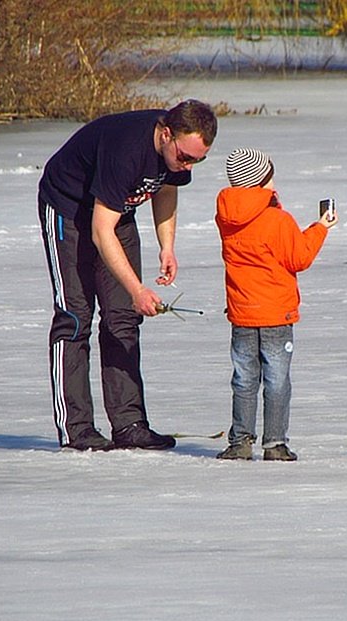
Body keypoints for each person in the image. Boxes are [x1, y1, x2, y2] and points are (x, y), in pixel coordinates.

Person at [38, 100, 218, 451]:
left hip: (115, 211)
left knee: (123, 317)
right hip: (68, 209)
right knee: (75, 316)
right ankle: (77, 429)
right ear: (166, 134)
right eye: (185, 156)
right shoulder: (126, 149)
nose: (188, 165)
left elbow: (166, 188)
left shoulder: (176, 155)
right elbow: (100, 232)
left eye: (198, 160)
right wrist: (136, 288)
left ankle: (129, 424)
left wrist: (167, 246)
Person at [214, 148, 337, 461]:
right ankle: (275, 443)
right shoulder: (277, 219)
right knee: (277, 380)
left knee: (243, 378)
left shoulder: (227, 218)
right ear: (260, 181)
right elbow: (299, 257)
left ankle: (240, 441)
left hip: (242, 312)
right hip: (275, 315)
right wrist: (321, 227)